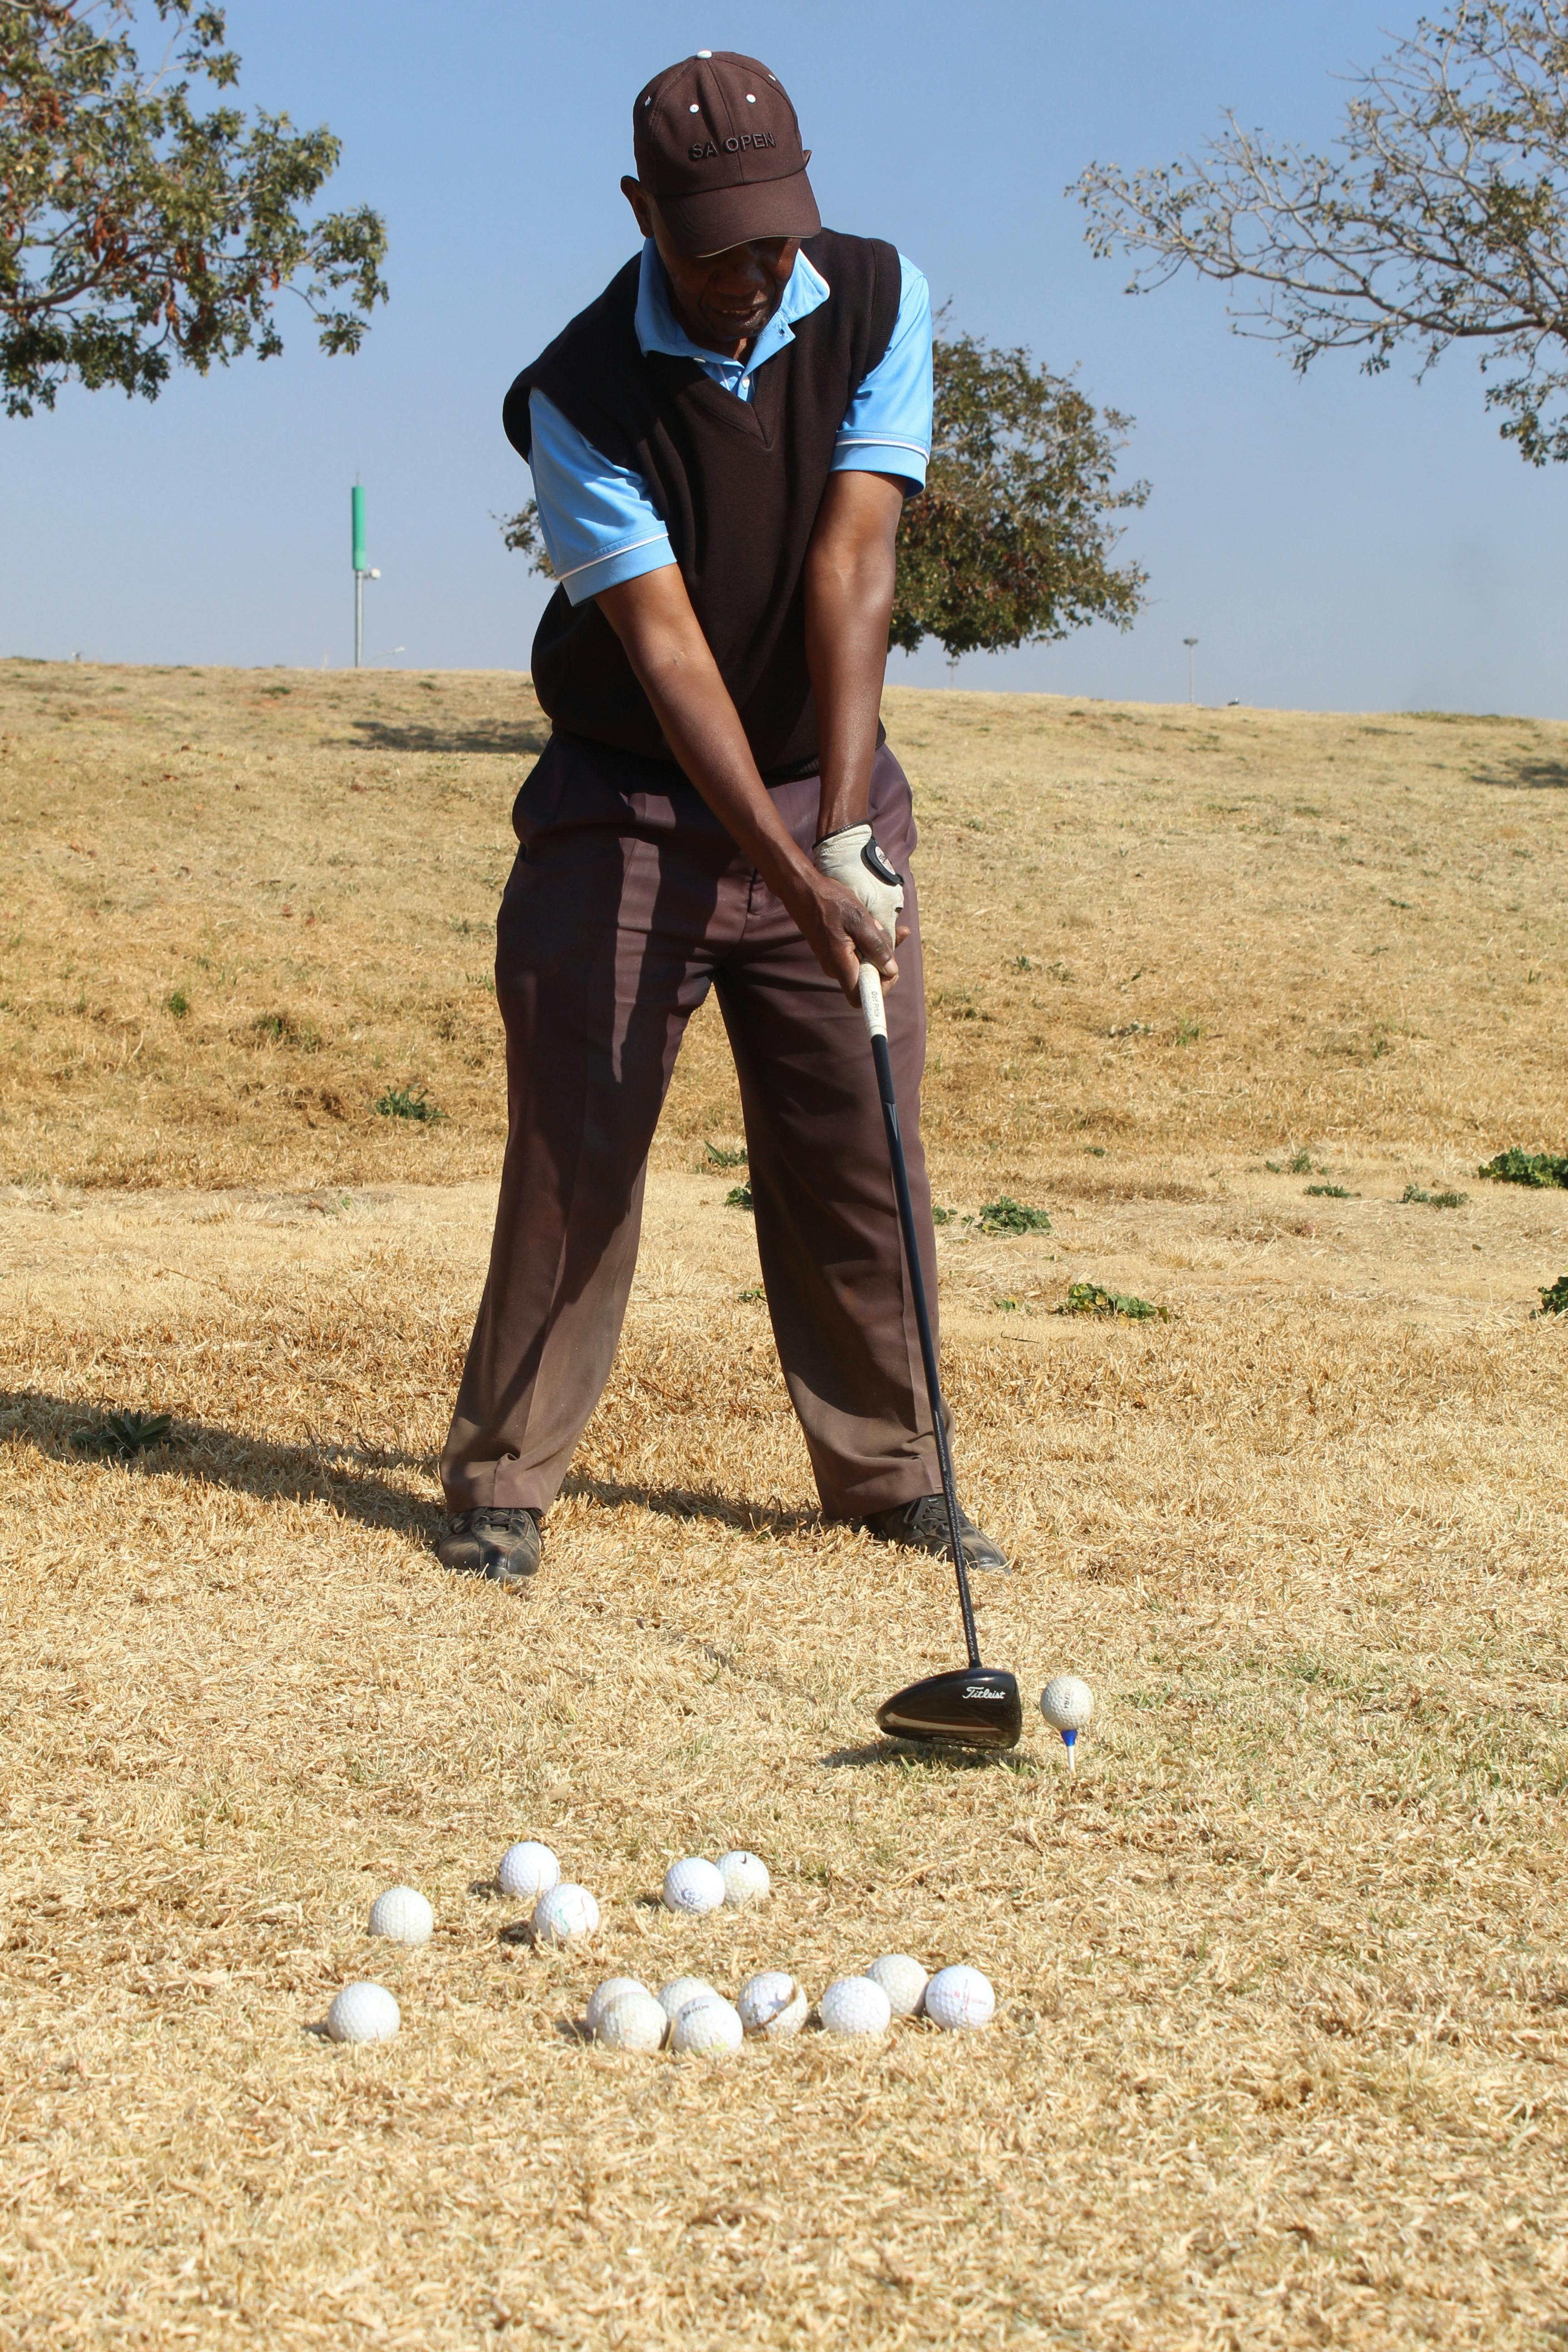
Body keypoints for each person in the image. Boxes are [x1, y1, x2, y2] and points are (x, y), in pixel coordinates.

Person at [437, 49, 1006, 1586]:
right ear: (641, 213)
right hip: (627, 810)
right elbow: (671, 652)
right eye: (717, 249)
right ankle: (502, 1481)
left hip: (825, 787)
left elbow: (852, 564)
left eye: (777, 237)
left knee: (862, 1138)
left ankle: (897, 1477)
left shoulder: (879, 301)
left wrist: (841, 832)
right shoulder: (575, 396)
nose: (756, 277)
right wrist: (781, 860)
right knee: (581, 1143)